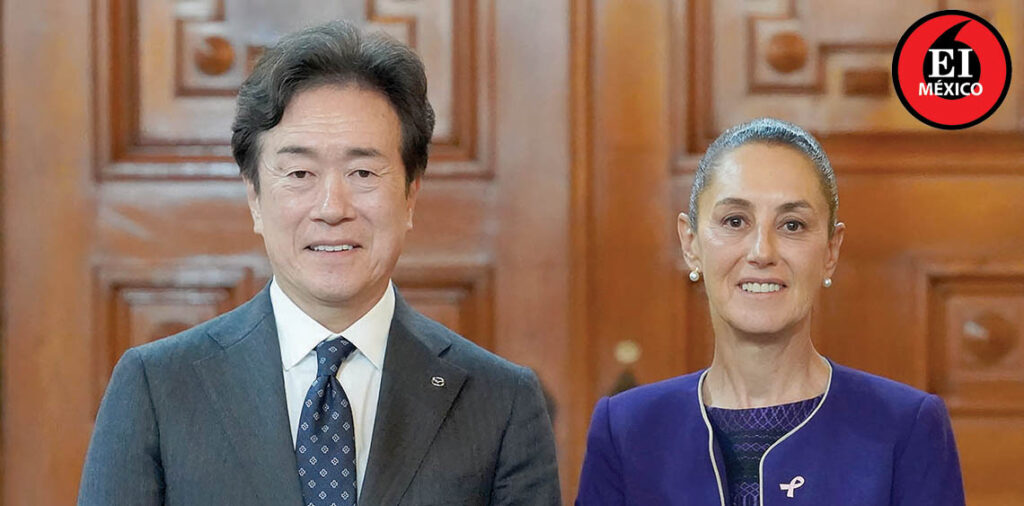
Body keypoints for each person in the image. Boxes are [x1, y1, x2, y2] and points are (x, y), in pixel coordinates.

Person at [79, 21, 560, 506]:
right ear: (254, 198)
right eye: (299, 173)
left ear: (411, 195)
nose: (332, 208)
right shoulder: (158, 387)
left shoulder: (500, 401)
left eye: (363, 172)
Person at [575, 118, 965, 505]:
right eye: (735, 221)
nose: (762, 252)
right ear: (690, 243)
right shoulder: (626, 430)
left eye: (792, 225)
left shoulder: (906, 427)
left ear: (831, 251)